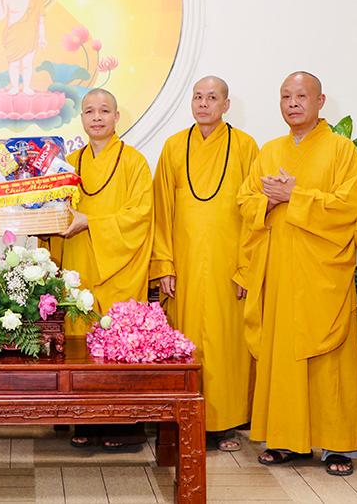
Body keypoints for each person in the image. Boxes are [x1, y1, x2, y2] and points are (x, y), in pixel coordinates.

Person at [235, 71, 357, 476]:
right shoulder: (269, 150)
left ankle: (338, 445)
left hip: (321, 271)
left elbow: (349, 206)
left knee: (329, 356)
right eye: (286, 96)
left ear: (321, 101)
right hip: (278, 269)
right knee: (281, 356)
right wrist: (268, 203)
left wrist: (296, 196)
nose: (293, 103)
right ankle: (285, 440)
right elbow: (245, 200)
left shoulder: (341, 150)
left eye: (301, 96)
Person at [151, 76, 259, 453]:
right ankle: (183, 416)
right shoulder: (173, 146)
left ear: (226, 104)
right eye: (197, 97)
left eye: (212, 97)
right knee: (188, 340)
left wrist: (247, 267)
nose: (203, 104)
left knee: (227, 343)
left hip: (230, 266)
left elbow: (255, 213)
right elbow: (161, 211)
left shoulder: (245, 146)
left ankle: (225, 422)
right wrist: (164, 263)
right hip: (184, 264)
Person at [46, 88, 154, 450]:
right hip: (78, 261)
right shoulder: (69, 164)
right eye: (89, 111)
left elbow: (139, 217)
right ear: (81, 118)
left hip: (120, 265)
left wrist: (90, 221)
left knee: (120, 341)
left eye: (104, 111)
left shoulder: (135, 162)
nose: (97, 117)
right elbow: (54, 209)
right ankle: (85, 418)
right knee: (81, 340)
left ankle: (125, 427)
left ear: (117, 116)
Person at [0, 0, 46, 95]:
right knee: (14, 64)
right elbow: (0, 16)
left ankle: (27, 86)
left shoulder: (37, 0)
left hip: (30, 37)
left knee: (28, 64)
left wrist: (42, 37)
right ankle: (15, 87)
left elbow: (40, 21)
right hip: (13, 37)